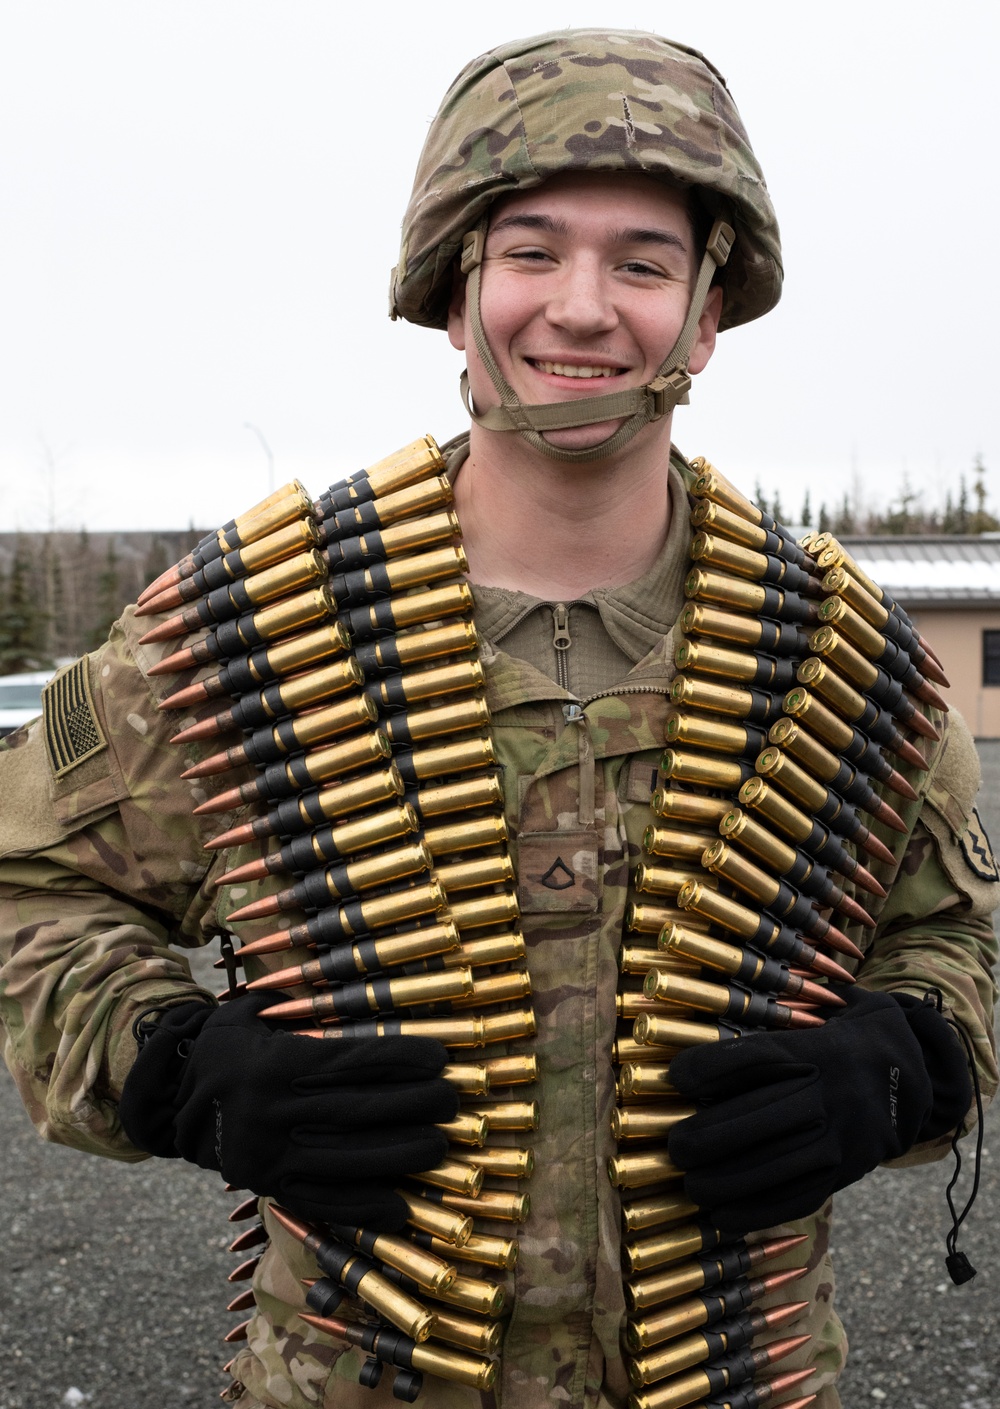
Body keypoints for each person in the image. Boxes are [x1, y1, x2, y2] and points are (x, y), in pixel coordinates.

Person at [0, 28, 996, 1409]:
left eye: (643, 261)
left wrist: (908, 1056)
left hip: (733, 1373)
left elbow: (959, 937)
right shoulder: (252, 630)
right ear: (455, 298)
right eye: (530, 252)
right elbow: (38, 892)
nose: (582, 308)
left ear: (706, 314)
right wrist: (174, 1065)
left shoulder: (838, 653)